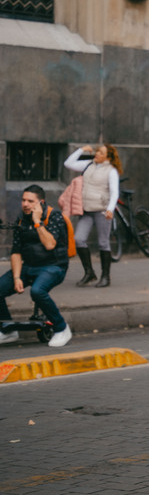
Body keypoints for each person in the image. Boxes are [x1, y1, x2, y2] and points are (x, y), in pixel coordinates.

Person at [0, 185, 73, 348]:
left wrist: (37, 222)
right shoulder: (21, 218)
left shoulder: (54, 216)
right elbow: (16, 251)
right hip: (29, 267)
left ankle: (62, 328)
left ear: (41, 202)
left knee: (37, 291)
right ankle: (8, 331)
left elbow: (49, 245)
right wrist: (17, 277)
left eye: (30, 201)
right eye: (23, 200)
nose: (25, 204)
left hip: (54, 266)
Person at [64, 144, 122, 288]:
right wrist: (81, 150)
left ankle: (105, 277)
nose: (96, 154)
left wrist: (110, 209)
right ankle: (89, 272)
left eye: (101, 153)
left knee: (103, 242)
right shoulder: (88, 164)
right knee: (79, 239)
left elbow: (115, 192)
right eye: (97, 151)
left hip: (102, 210)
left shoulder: (111, 171)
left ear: (108, 157)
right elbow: (68, 163)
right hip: (87, 209)